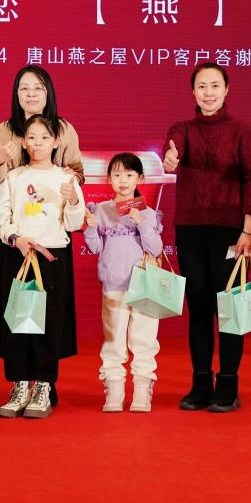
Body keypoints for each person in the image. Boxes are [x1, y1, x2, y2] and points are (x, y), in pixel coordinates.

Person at [163, 61, 251, 412]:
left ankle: (228, 384)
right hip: (191, 230)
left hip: (230, 232)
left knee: (230, 308)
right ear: (193, 91)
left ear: (227, 89)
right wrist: (171, 156)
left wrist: (248, 229)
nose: (208, 93)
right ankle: (201, 383)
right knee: (199, 309)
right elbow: (173, 146)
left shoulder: (241, 131)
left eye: (215, 85)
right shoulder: (184, 129)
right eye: (202, 86)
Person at [0, 65, 83, 407]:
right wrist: (14, 237)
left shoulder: (65, 165)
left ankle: (44, 383)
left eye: (38, 88)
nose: (30, 94)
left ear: (55, 140)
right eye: (24, 88)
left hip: (52, 250)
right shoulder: (7, 145)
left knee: (49, 319)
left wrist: (74, 198)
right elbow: (0, 201)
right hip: (17, 248)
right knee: (18, 317)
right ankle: (20, 383)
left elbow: (74, 212)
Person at [83, 153, 165, 413]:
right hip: (113, 286)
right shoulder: (101, 210)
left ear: (140, 179)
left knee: (144, 340)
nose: (123, 180)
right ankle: (115, 390)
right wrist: (90, 227)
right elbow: (95, 248)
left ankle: (142, 390)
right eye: (117, 175)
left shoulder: (147, 212)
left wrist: (141, 223)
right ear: (109, 179)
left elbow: (155, 248)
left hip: (144, 286)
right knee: (113, 341)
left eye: (129, 175)